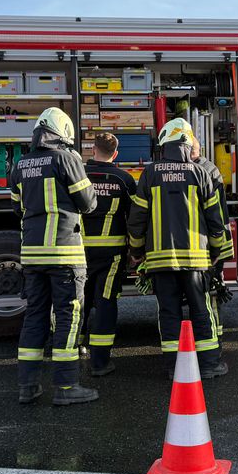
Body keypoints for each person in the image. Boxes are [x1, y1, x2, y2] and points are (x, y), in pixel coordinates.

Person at [127, 118, 230, 377]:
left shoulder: (149, 174)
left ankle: (174, 368)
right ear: (188, 144)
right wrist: (216, 252)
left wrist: (137, 252)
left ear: (163, 144)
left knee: (169, 312)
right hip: (196, 261)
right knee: (201, 310)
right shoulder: (200, 173)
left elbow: (137, 219)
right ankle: (209, 365)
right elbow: (215, 220)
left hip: (161, 261)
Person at [9, 107, 99, 405]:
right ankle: (66, 386)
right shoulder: (66, 158)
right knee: (68, 317)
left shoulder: (21, 164)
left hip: (32, 256)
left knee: (34, 317)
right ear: (63, 133)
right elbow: (87, 203)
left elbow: (16, 207)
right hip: (64, 254)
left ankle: (28, 386)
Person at [80, 133, 137, 376]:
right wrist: (136, 250)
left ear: (93, 150)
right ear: (115, 154)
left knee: (77, 301)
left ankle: (73, 350)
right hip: (112, 254)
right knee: (105, 302)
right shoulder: (124, 179)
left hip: (78, 252)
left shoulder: (78, 175)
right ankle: (100, 362)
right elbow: (135, 216)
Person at [191, 137, 233, 338]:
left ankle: (214, 334)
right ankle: (213, 334)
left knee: (211, 290)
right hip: (212, 241)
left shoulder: (204, 171)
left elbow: (212, 214)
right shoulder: (209, 168)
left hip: (209, 243)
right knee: (210, 289)